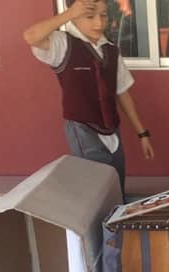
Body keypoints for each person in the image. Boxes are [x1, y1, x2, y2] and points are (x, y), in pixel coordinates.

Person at [23, 0, 154, 193]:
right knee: (97, 191)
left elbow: (122, 92)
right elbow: (30, 37)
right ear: (75, 17)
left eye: (103, 15)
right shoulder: (63, 44)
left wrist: (142, 134)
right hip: (83, 128)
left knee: (117, 187)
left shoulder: (110, 50)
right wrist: (68, 14)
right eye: (90, 16)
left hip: (112, 129)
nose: (99, 23)